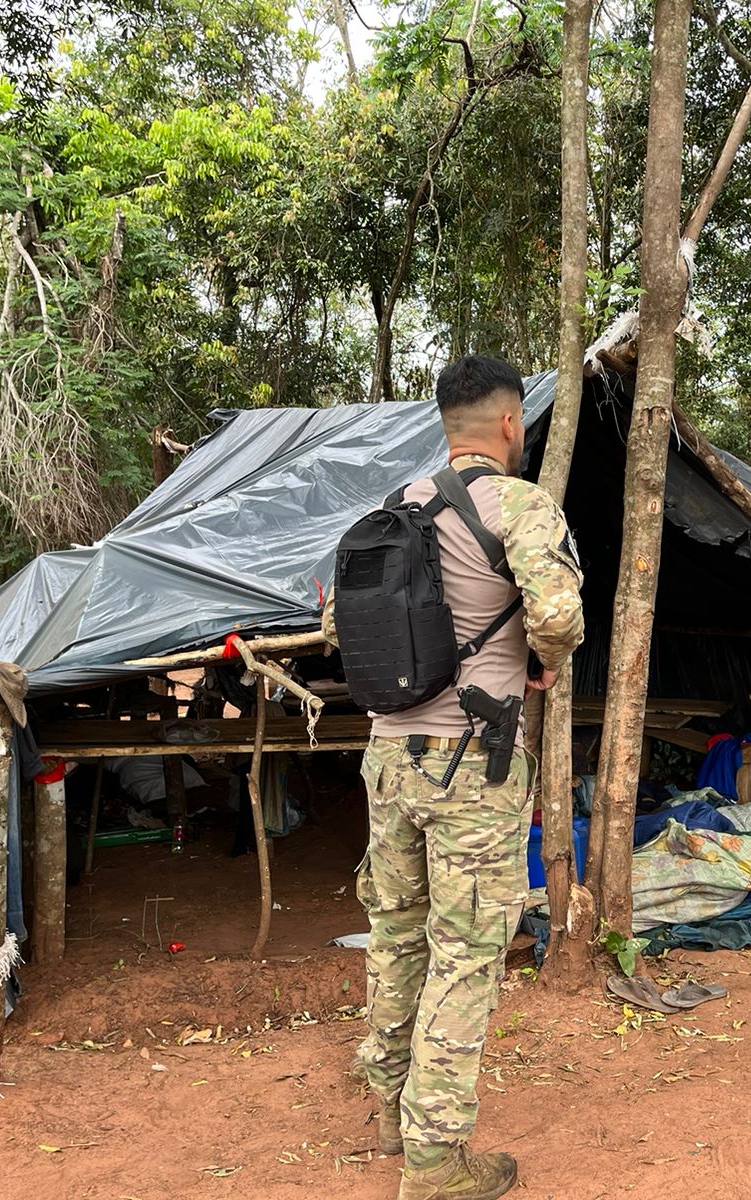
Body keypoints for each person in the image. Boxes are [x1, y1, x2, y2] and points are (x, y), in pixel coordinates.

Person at [322, 355, 584, 1200]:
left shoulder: (393, 508)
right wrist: (543, 665)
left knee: (396, 933)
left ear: (445, 423)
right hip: (473, 763)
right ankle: (434, 1162)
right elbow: (558, 612)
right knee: (467, 954)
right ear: (511, 424)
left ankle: (390, 1098)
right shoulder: (519, 503)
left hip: (388, 760)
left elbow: (336, 624)